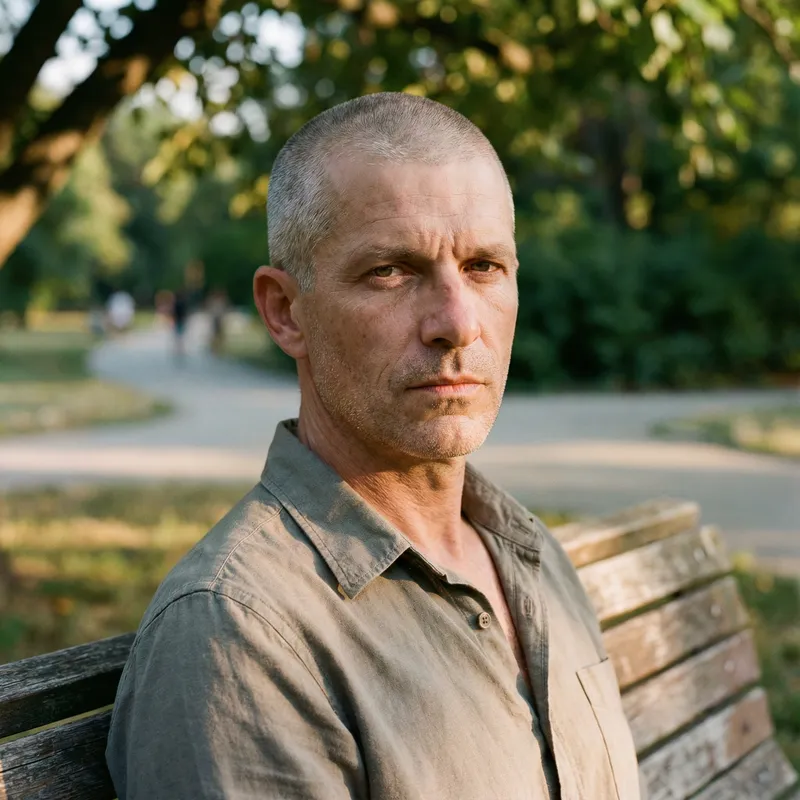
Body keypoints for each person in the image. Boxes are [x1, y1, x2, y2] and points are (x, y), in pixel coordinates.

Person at [106, 93, 641, 799]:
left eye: (484, 268)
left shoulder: (531, 555)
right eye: (391, 271)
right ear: (285, 311)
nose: (456, 322)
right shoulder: (239, 635)